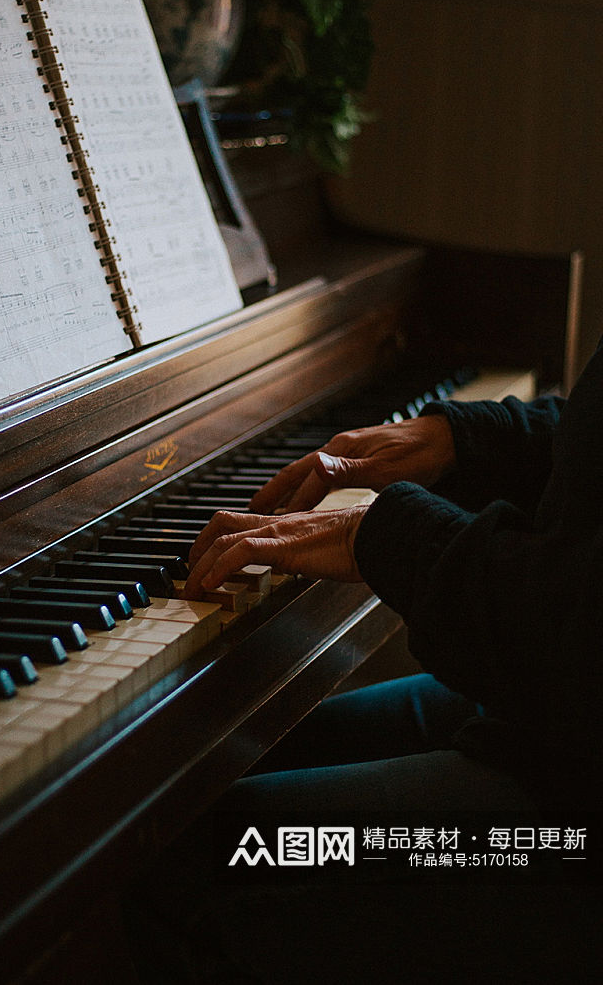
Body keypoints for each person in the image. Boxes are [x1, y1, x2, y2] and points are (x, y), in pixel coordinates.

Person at [125, 341, 603, 984]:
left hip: (576, 820)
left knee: (190, 859)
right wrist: (465, 437)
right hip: (561, 723)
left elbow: (573, 628)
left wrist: (382, 535)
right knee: (252, 757)